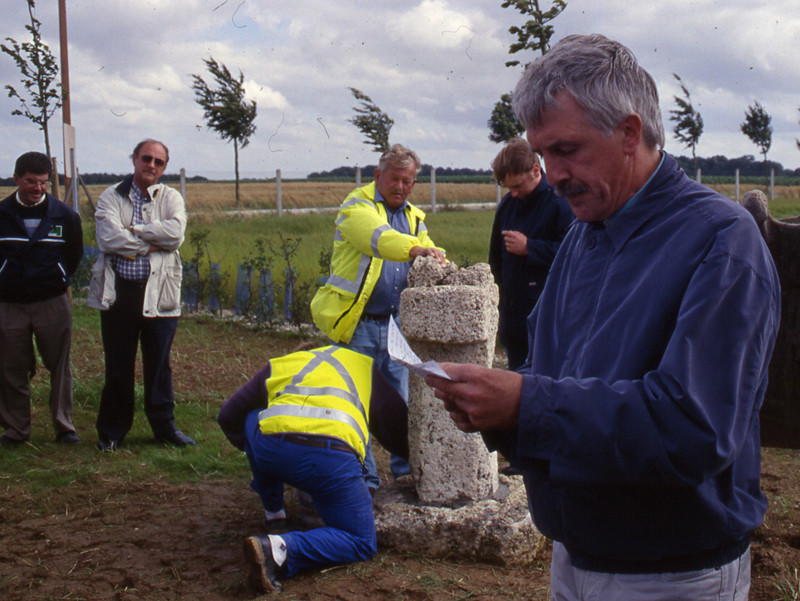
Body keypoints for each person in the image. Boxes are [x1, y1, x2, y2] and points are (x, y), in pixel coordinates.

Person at [425, 34, 779, 601]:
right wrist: (493, 411)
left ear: (630, 133)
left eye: (567, 149)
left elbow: (694, 429)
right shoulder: (581, 239)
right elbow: (547, 377)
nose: (554, 173)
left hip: (673, 577)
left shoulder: (721, 240)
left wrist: (524, 403)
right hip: (573, 558)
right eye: (543, 155)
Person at [218, 345, 409, 593]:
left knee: (252, 417)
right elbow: (398, 427)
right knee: (361, 541)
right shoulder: (362, 365)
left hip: (272, 447)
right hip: (331, 457)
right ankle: (278, 549)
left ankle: (274, 513)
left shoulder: (281, 362)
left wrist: (258, 455)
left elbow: (228, 415)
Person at [310, 144, 446, 486]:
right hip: (357, 324)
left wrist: (438, 256)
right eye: (394, 178)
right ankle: (365, 477)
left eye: (407, 180)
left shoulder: (415, 217)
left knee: (398, 403)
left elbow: (430, 249)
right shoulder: (357, 206)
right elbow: (381, 240)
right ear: (377, 176)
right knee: (355, 400)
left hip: (394, 325)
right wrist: (416, 248)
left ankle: (404, 473)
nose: (400, 186)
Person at [88, 139, 195, 451]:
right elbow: (108, 239)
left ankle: (164, 429)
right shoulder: (111, 196)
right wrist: (150, 240)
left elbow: (175, 235)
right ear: (134, 159)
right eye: (146, 158)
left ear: (164, 168)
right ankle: (111, 432)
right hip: (120, 295)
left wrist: (132, 230)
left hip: (159, 295)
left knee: (159, 366)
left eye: (159, 162)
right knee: (118, 366)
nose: (151, 165)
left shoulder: (171, 197)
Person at [0, 151, 83, 446]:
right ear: (16, 179)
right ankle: (16, 430)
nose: (37, 188)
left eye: (44, 182)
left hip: (52, 301)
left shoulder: (64, 215)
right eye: (31, 182)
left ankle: (64, 426)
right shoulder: (2, 214)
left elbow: (73, 255)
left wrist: (58, 275)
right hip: (9, 304)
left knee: (59, 365)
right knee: (10, 367)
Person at [488, 138, 573, 370]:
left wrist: (530, 248)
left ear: (536, 170)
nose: (513, 194)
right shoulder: (507, 205)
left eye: (517, 186)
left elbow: (575, 257)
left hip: (550, 319)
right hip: (513, 320)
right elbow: (495, 260)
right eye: (508, 188)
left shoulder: (561, 203)